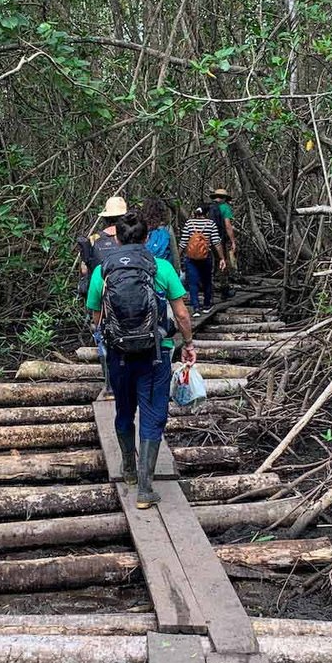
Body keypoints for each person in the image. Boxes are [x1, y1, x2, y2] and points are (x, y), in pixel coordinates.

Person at [86, 209, 197, 507]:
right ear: (147, 238)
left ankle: (129, 469)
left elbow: (96, 319)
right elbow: (182, 314)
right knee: (153, 414)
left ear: (117, 237)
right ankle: (145, 489)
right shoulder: (161, 268)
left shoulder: (103, 271)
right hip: (156, 354)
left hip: (119, 357)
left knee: (124, 411)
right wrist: (187, 343)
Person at [75, 196, 129, 302]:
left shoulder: (94, 239)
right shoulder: (129, 238)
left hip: (100, 292)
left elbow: (84, 269)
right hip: (126, 289)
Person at [178, 203, 227, 315]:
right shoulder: (210, 224)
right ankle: (206, 305)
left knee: (192, 282)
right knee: (207, 281)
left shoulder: (189, 223)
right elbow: (216, 242)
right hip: (206, 257)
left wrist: (178, 255)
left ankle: (196, 307)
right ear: (206, 213)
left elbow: (183, 242)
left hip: (190, 258)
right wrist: (222, 258)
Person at [209, 187, 238, 300]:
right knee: (223, 262)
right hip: (220, 240)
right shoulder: (225, 207)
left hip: (208, 240)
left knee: (211, 264)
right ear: (225, 198)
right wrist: (232, 241)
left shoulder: (209, 208)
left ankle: (208, 289)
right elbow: (228, 226)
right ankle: (224, 290)